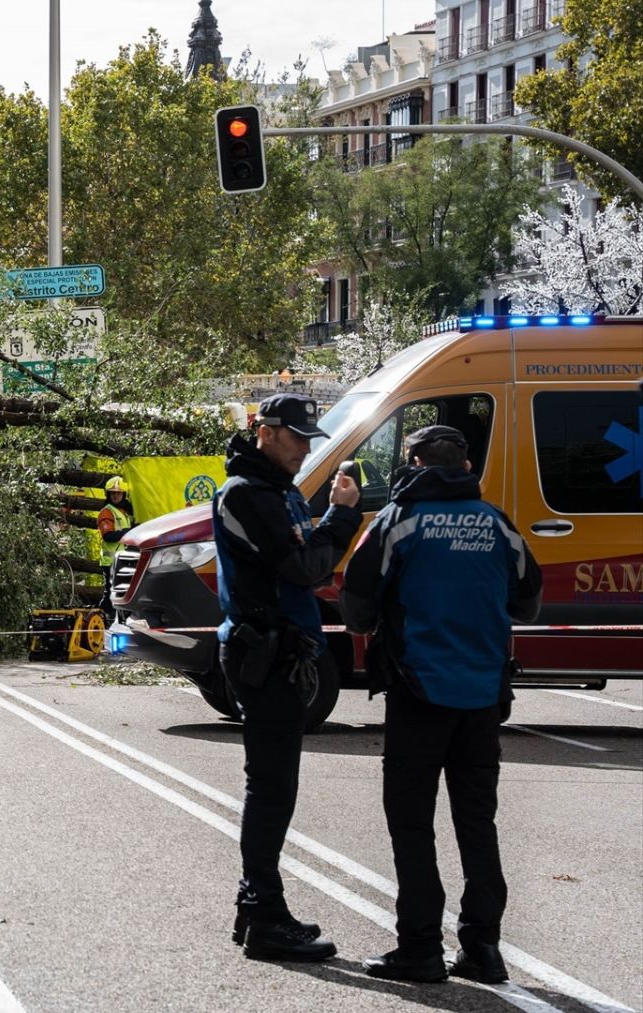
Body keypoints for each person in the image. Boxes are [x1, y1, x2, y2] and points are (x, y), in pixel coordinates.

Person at [341, 425, 541, 984]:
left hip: (418, 692)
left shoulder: (397, 522)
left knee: (412, 825)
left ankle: (420, 950)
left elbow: (356, 604)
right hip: (483, 697)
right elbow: (528, 602)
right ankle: (483, 949)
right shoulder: (498, 524)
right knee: (478, 823)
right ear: (467, 466)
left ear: (414, 463)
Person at [213, 392, 362, 962]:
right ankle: (265, 913)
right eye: (296, 438)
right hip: (265, 653)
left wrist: (328, 520)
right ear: (265, 431)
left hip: (284, 650)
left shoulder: (278, 492)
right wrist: (343, 517)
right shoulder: (248, 494)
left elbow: (304, 558)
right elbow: (303, 565)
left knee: (276, 787)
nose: (304, 449)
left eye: (309, 439)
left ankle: (256, 909)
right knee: (272, 789)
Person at [96, 476, 134, 571]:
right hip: (111, 563)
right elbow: (108, 536)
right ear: (108, 494)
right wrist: (128, 532)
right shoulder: (107, 512)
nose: (115, 496)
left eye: (118, 493)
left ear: (124, 494)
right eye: (113, 493)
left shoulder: (123, 511)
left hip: (123, 560)